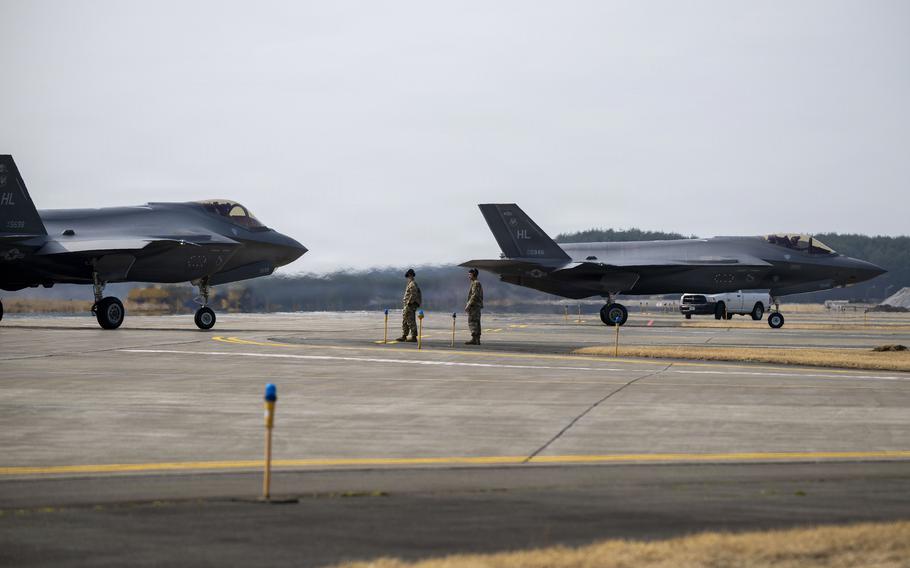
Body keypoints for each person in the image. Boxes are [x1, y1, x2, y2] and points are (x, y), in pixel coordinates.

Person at [396, 268, 422, 342]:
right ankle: (404, 335)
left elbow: (414, 294)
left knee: (410, 320)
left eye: (408, 276)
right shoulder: (410, 283)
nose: (407, 278)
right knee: (405, 320)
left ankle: (414, 337)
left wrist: (409, 303)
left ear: (410, 275)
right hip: (408, 305)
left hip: (410, 305)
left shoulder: (412, 284)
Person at [464, 268, 484, 345]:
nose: (468, 276)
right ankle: (477, 340)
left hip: (474, 306)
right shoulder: (476, 283)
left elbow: (474, 295)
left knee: (472, 321)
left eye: (470, 274)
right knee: (477, 322)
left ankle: (475, 339)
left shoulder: (475, 283)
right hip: (477, 305)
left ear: (473, 275)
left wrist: (468, 305)